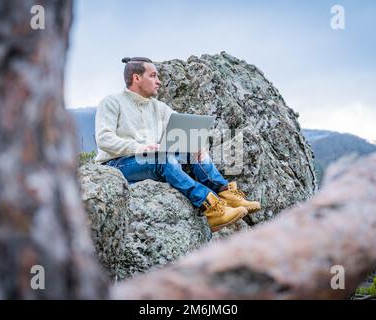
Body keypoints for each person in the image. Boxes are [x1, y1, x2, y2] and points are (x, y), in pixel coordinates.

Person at [94, 57, 261, 232]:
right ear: (137, 78)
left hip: (149, 161)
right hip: (117, 165)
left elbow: (184, 127)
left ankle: (225, 192)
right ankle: (211, 208)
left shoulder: (158, 107)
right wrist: (139, 148)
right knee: (162, 158)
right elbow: (104, 139)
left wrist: (196, 145)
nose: (158, 81)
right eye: (153, 76)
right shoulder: (112, 101)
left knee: (191, 150)